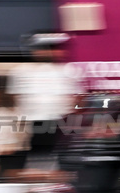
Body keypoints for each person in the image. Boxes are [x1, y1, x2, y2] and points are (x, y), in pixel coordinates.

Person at [8, 33, 77, 165]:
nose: (49, 52)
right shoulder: (20, 72)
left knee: (61, 160)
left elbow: (76, 98)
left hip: (62, 123)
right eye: (43, 48)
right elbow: (14, 99)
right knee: (36, 160)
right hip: (32, 124)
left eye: (53, 48)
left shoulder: (69, 70)